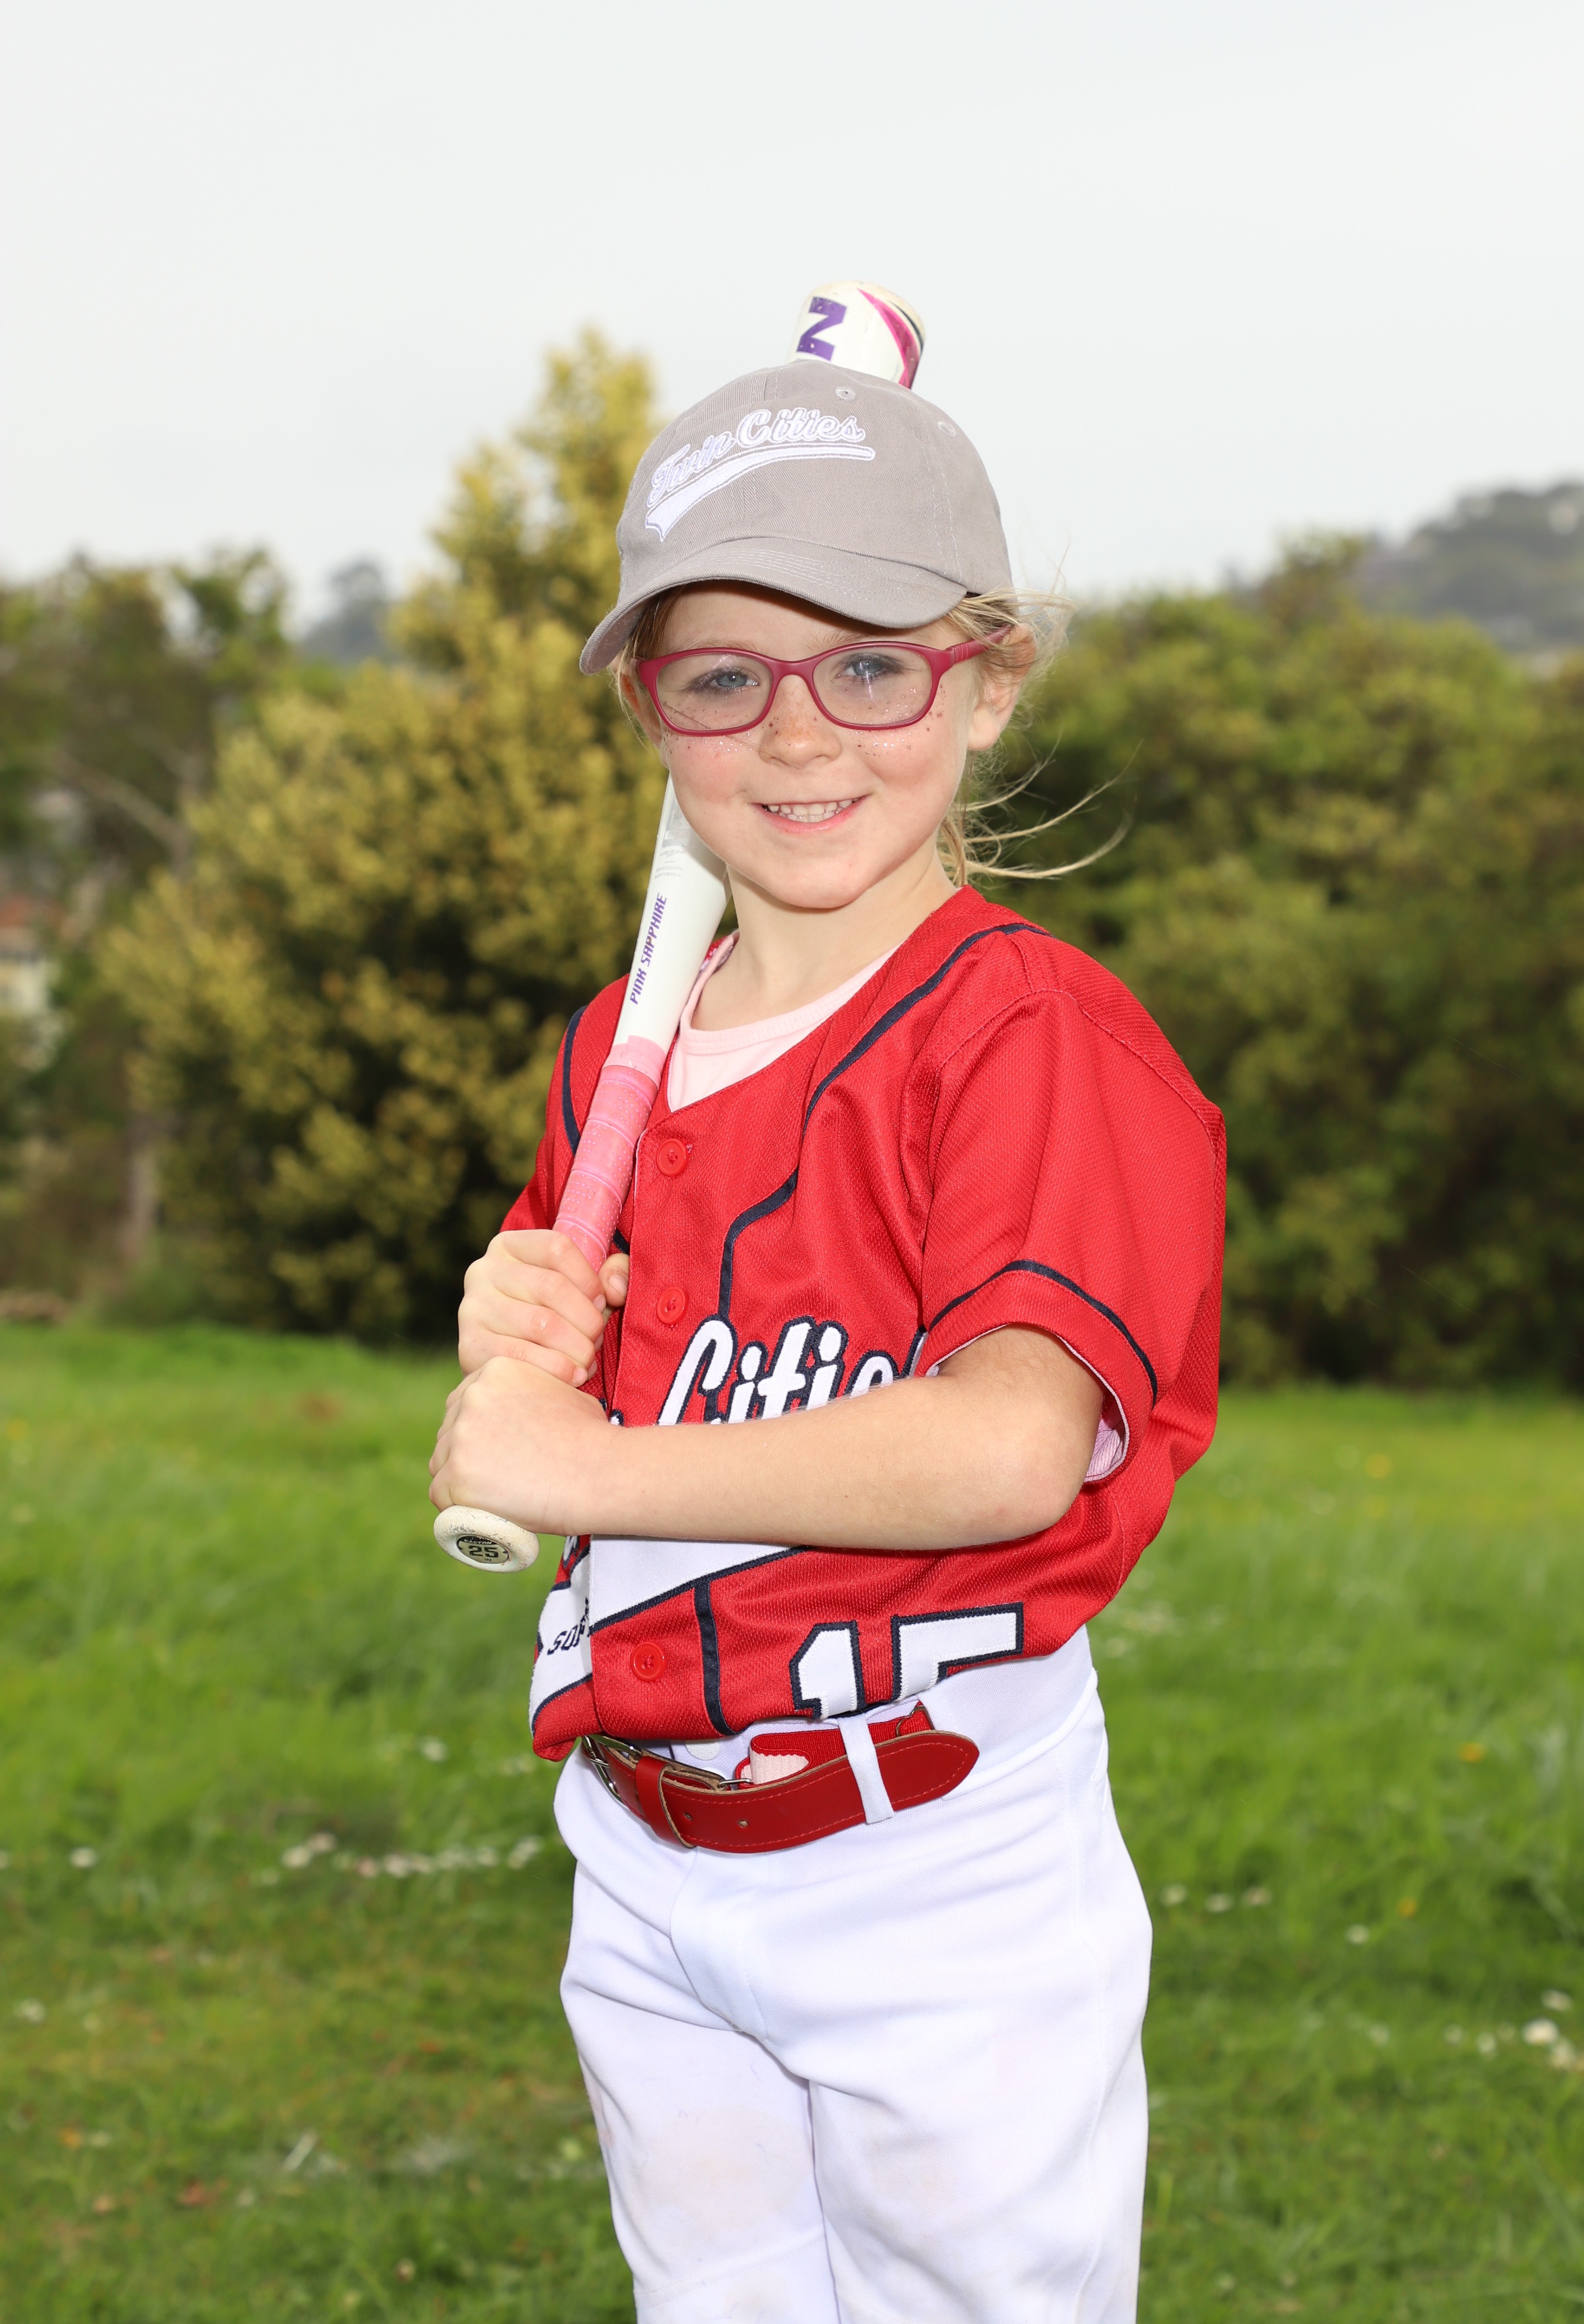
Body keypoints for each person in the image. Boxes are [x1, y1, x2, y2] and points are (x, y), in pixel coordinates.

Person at [429, 350, 1225, 2324]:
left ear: (989, 679)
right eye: (725, 677)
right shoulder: (619, 1052)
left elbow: (1004, 1446)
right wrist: (524, 1321)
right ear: (649, 704)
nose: (800, 733)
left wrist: (591, 1463)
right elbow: (599, 1381)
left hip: (932, 1867)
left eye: (871, 667)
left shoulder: (1030, 1036)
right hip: (647, 1845)